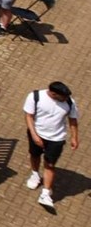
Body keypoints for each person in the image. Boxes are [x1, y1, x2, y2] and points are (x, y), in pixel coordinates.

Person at [24, 80, 79, 210]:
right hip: (37, 134)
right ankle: (35, 174)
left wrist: (74, 137)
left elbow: (72, 120)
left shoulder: (69, 102)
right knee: (34, 155)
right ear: (53, 94)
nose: (66, 99)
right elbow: (29, 116)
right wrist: (34, 135)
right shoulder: (35, 97)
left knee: (50, 164)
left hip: (56, 138)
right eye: (63, 97)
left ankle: (45, 193)